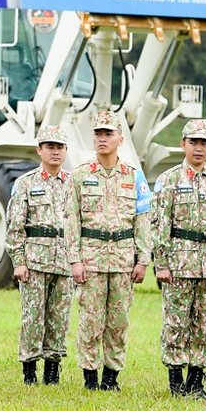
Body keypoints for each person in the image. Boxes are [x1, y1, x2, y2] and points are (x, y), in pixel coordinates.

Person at [72, 109, 151, 393]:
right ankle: (90, 378)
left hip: (122, 260)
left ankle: (111, 377)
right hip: (91, 259)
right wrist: (74, 260)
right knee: (90, 320)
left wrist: (143, 260)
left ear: (120, 138)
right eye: (98, 133)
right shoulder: (80, 176)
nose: (102, 138)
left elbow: (142, 221)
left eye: (108, 134)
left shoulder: (134, 177)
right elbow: (72, 221)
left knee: (118, 322)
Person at [150, 118, 206, 400]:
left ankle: (196, 383)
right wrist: (161, 264)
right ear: (183, 144)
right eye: (193, 142)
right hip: (179, 262)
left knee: (204, 323)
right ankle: (175, 383)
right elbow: (160, 224)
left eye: (204, 143)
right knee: (176, 322)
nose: (198, 148)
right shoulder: (168, 180)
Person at [6, 123, 81, 387]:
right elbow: (15, 225)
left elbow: (79, 224)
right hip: (34, 261)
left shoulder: (74, 184)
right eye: (50, 147)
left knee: (59, 318)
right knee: (33, 317)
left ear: (66, 150)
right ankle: (29, 371)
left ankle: (52, 370)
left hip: (64, 261)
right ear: (39, 150)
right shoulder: (25, 183)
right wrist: (19, 262)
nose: (55, 152)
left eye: (60, 147)